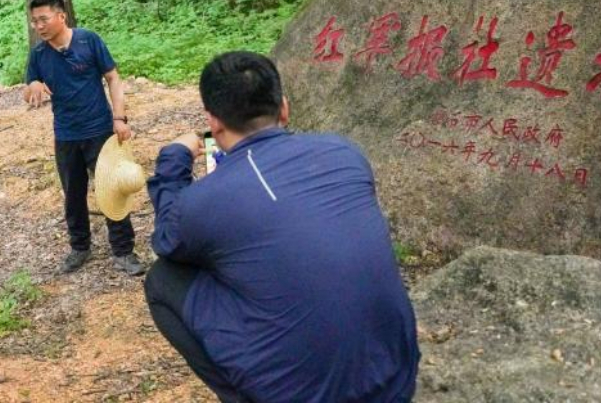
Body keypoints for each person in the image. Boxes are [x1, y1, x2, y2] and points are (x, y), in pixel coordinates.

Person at [144, 51, 420, 403]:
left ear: (213, 123)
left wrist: (175, 156)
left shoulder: (203, 201)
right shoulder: (345, 153)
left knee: (164, 278)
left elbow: (167, 238)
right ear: (284, 108)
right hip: (397, 381)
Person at [23, 0, 145, 276]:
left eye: (43, 19)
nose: (38, 26)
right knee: (73, 193)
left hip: (99, 130)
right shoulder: (39, 54)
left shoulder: (89, 40)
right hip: (65, 134)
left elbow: (113, 78)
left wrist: (120, 118)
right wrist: (34, 87)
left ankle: (124, 251)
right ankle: (80, 247)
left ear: (61, 16)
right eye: (34, 22)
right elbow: (29, 87)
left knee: (112, 187)